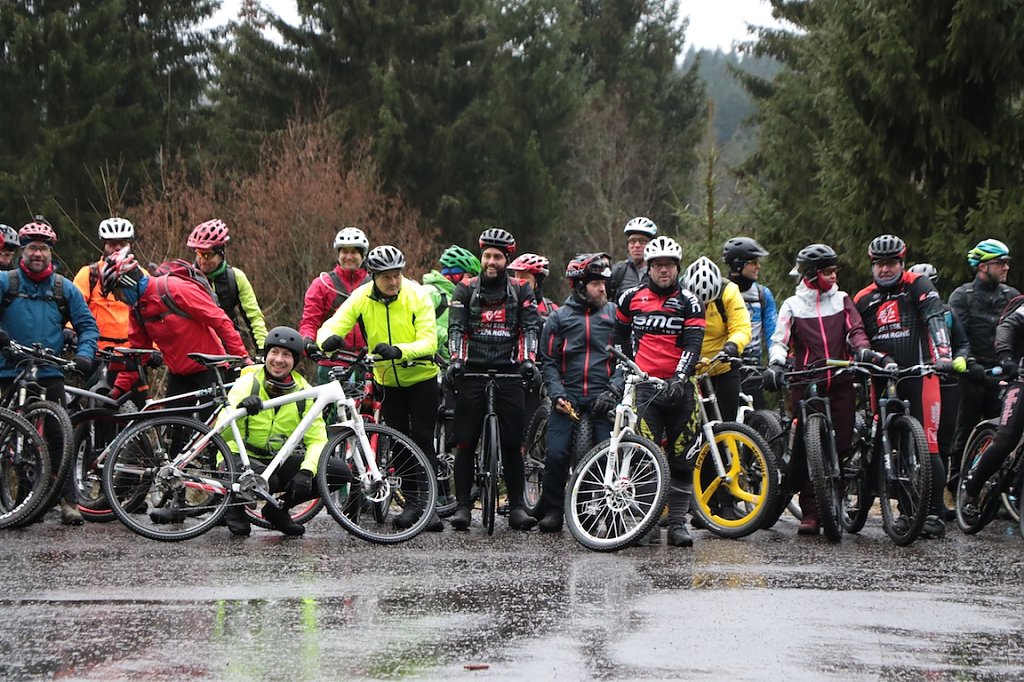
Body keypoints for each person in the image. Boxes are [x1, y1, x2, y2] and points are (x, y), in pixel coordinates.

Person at [317, 245, 444, 532]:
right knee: (399, 440)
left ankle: (430, 505)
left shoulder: (417, 295)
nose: (393, 282)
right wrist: (327, 340)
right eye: (386, 277)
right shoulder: (361, 296)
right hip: (387, 380)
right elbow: (334, 324)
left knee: (423, 438)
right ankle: (413, 504)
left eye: (397, 275)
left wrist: (399, 350)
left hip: (421, 377)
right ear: (373, 276)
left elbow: (429, 342)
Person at [765, 243, 877, 535]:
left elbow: (856, 330)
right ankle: (811, 513)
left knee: (841, 447)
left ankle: (834, 502)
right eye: (828, 271)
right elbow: (779, 340)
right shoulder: (793, 304)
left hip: (841, 380)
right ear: (812, 274)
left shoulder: (842, 299)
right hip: (807, 382)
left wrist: (862, 350)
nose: (834, 275)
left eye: (834, 270)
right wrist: (776, 365)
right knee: (807, 449)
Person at [0, 217, 99, 525]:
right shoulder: (6, 282)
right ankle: (21, 501)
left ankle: (69, 502)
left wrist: (84, 356)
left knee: (59, 437)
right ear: (23, 251)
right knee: (8, 434)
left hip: (49, 371)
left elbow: (87, 326)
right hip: (10, 371)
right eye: (32, 248)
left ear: (50, 253)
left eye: (43, 249)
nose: (37, 254)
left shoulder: (63, 288)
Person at [854, 235, 954, 539]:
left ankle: (934, 513)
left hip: (919, 374)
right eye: (880, 264)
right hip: (882, 378)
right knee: (890, 446)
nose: (885, 269)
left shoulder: (917, 285)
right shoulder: (863, 298)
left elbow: (935, 318)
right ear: (872, 265)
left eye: (891, 263)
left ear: (902, 263)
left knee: (928, 446)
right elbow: (856, 336)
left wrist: (944, 354)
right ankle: (906, 512)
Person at [213, 326, 355, 536]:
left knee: (338, 472)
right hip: (236, 457)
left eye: (286, 355)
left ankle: (278, 510)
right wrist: (240, 411)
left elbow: (317, 439)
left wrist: (307, 471)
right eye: (274, 352)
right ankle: (233, 505)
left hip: (274, 459)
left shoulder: (305, 392)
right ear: (266, 355)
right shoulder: (248, 383)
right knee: (267, 481)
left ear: (295, 361)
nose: (279, 360)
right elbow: (220, 432)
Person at [612, 236, 705, 547]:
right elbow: (619, 334)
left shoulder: (690, 302)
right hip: (645, 389)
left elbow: (693, 344)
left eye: (669, 265)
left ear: (677, 268)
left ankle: (677, 523)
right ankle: (647, 522)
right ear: (649, 268)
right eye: (658, 265)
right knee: (646, 458)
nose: (664, 270)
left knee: (682, 459)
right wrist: (629, 367)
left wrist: (680, 376)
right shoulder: (630, 298)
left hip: (680, 388)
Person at [446, 227, 541, 532]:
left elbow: (529, 329)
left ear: (506, 260)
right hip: (472, 371)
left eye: (497, 257)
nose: (491, 261)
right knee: (465, 442)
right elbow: (457, 329)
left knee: (512, 444)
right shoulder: (465, 289)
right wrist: (457, 360)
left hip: (509, 372)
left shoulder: (522, 290)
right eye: (487, 256)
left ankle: (517, 507)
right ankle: (463, 506)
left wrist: (527, 360)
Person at [100, 247, 250, 411]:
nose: (117, 298)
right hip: (179, 374)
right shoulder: (137, 310)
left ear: (128, 283)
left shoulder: (174, 289)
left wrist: (242, 358)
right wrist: (119, 389)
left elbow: (220, 320)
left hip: (209, 368)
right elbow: (138, 354)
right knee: (173, 426)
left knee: (213, 423)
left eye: (117, 292)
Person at [536, 253, 619, 532]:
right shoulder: (558, 318)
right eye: (596, 284)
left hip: (603, 396)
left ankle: (602, 513)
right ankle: (553, 511)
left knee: (607, 456)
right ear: (580, 286)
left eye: (604, 284)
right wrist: (557, 394)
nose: (603, 289)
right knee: (557, 454)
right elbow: (548, 361)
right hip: (568, 396)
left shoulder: (614, 315)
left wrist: (613, 390)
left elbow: (626, 358)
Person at [948, 239, 1019, 489]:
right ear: (982, 266)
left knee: (1002, 433)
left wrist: (1011, 362)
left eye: (1007, 262)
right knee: (964, 429)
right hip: (973, 373)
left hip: (1003, 372)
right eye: (1000, 263)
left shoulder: (1011, 296)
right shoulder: (962, 296)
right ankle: (955, 484)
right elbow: (957, 336)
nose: (1005, 267)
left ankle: (993, 487)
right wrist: (969, 363)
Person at [909, 262, 970, 517]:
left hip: (948, 383)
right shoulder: (906, 313)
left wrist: (961, 358)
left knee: (941, 445)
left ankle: (937, 503)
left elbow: (963, 342)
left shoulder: (947, 312)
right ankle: (911, 501)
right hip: (917, 380)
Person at [959, 304, 1024, 516]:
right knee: (1006, 439)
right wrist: (1006, 358)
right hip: (1021, 381)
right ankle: (972, 489)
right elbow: (1008, 326)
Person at [683, 255, 751, 422]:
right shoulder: (679, 294)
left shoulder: (729, 291)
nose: (703, 309)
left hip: (722, 366)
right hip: (689, 369)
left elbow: (742, 327)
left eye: (707, 304)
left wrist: (732, 346)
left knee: (726, 422)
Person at [299, 227, 370, 385]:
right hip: (332, 361)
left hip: (368, 362)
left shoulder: (374, 285)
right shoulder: (322, 284)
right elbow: (310, 321)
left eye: (354, 252)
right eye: (344, 251)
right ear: (338, 254)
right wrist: (307, 341)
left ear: (362, 255)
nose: (349, 257)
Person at [187, 219, 268, 350]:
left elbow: (254, 317)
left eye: (208, 255)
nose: (202, 260)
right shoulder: (187, 278)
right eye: (199, 254)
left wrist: (263, 349)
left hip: (228, 348)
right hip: (195, 349)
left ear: (221, 253)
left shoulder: (236, 277)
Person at [72, 218, 143, 355]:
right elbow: (74, 307)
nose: (118, 248)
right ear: (104, 244)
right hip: (98, 352)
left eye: (123, 243)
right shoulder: (89, 274)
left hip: (132, 352)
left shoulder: (142, 275)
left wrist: (154, 348)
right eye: (112, 243)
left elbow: (152, 314)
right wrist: (70, 330)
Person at [723, 237, 778, 408]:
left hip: (753, 368)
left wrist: (776, 362)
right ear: (738, 265)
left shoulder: (763, 294)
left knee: (757, 417)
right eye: (753, 262)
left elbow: (773, 333)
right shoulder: (721, 291)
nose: (758, 266)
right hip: (725, 367)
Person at [422, 245, 481, 363]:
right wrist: (447, 338)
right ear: (456, 275)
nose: (472, 283)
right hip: (433, 365)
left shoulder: (462, 298)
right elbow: (414, 325)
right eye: (470, 277)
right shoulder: (431, 292)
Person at [607, 216, 657, 302]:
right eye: (633, 241)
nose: (637, 245)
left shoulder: (659, 272)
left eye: (642, 241)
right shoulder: (618, 271)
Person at [509, 253, 558, 318]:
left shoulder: (552, 310)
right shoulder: (506, 307)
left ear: (537, 281)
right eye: (516, 276)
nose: (518, 281)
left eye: (524, 277)